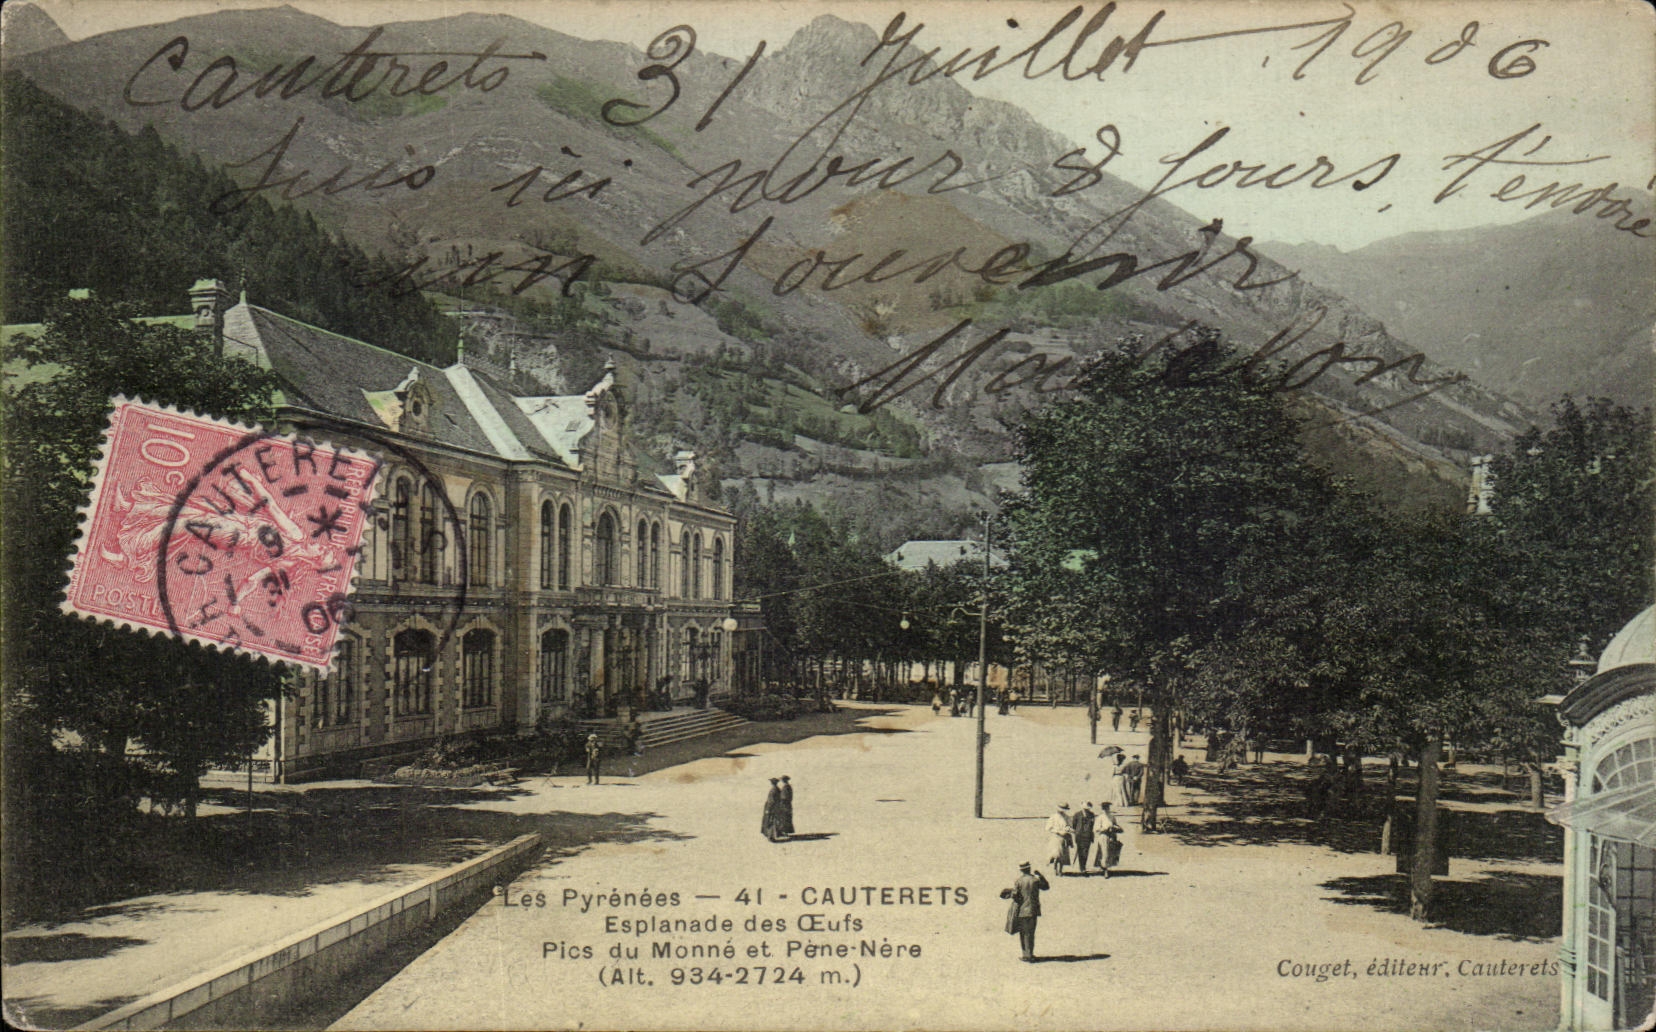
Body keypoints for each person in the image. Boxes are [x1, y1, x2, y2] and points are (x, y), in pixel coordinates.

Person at [999, 862, 1050, 962]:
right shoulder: (1035, 880)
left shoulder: (1019, 881)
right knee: (1031, 933)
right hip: (1033, 910)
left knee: (1023, 933)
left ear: (1021, 870)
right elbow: (1046, 887)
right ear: (1029, 868)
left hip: (1022, 910)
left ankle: (1026, 955)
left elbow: (1016, 895)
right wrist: (1041, 876)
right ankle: (1030, 954)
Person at [1095, 802, 1124, 876]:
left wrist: (1115, 827)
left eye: (1107, 807)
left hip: (1112, 836)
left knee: (1111, 853)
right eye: (1104, 808)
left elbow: (1115, 825)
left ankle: (1106, 867)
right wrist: (1104, 828)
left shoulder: (1112, 817)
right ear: (1102, 809)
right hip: (1103, 836)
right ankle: (1106, 871)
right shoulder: (1099, 817)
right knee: (1105, 853)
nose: (1105, 809)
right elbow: (1096, 829)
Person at [1044, 804, 1072, 875]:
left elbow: (1069, 826)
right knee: (1056, 855)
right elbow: (1048, 828)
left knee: (1063, 855)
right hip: (1055, 838)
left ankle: (1060, 870)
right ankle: (1055, 869)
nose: (1062, 811)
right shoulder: (1053, 817)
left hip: (1064, 838)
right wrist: (1058, 831)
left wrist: (1067, 830)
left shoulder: (1067, 817)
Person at [1069, 801, 1096, 873]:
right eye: (1085, 808)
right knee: (1081, 851)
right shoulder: (1077, 815)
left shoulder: (1092, 815)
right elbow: (1074, 825)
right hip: (1079, 836)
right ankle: (1082, 867)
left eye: (1087, 809)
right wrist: (1077, 832)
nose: (1086, 810)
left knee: (1086, 851)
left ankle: (1083, 866)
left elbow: (1093, 825)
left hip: (1088, 835)